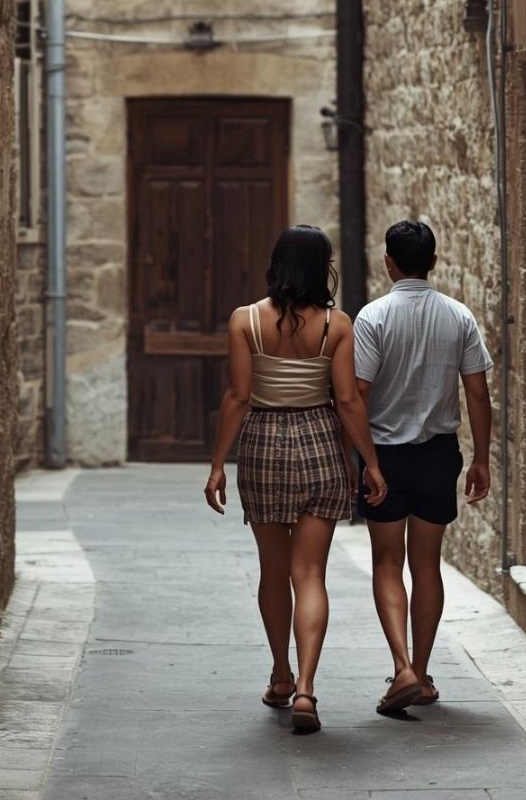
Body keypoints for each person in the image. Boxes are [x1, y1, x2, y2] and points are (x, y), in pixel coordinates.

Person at [204, 225, 387, 735]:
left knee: (273, 572)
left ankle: (281, 675)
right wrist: (370, 463)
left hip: (262, 443)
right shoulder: (337, 324)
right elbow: (348, 400)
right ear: (321, 266)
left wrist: (219, 463)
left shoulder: (245, 321)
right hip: (321, 442)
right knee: (311, 574)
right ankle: (307, 687)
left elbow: (237, 396)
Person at [353, 220, 493, 715]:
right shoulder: (459, 318)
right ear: (433, 261)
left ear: (388, 262)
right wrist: (481, 458)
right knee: (427, 564)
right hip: (438, 455)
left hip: (385, 458)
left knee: (387, 563)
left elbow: (360, 394)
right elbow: (477, 392)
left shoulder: (372, 319)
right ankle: (424, 671)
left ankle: (402, 668)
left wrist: (365, 460)